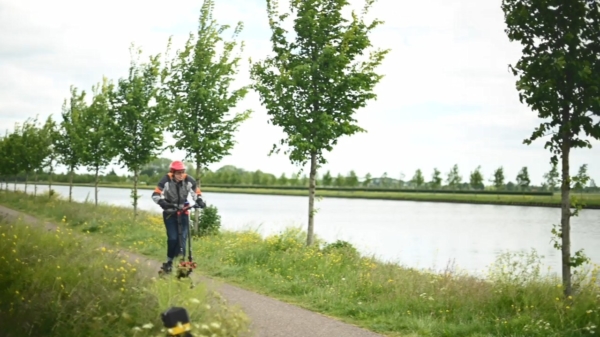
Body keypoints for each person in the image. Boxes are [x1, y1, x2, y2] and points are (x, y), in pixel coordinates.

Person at [152, 160, 206, 273]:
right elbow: (155, 195)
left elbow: (196, 192)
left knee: (183, 238)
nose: (181, 175)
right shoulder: (166, 180)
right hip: (170, 212)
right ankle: (169, 262)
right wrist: (162, 203)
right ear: (172, 172)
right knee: (173, 238)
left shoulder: (188, 179)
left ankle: (182, 263)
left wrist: (200, 200)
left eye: (182, 172)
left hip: (183, 212)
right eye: (178, 172)